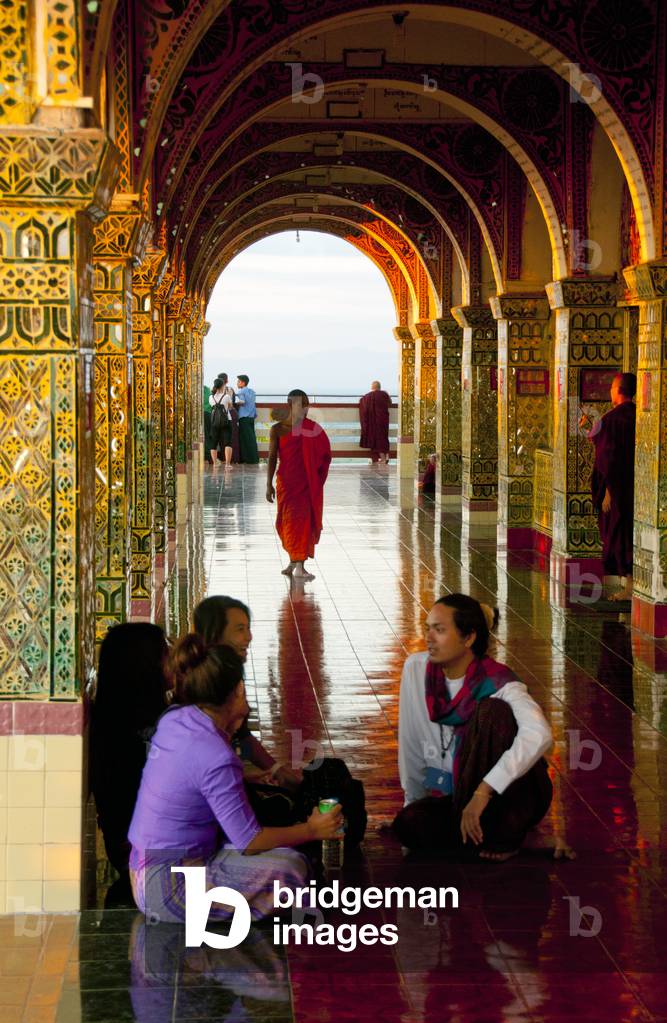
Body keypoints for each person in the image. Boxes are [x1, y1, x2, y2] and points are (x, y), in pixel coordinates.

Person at [128, 636, 342, 924]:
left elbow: (187, 776)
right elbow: (249, 840)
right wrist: (312, 829)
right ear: (239, 690)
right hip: (169, 889)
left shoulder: (176, 718)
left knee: (283, 852)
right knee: (292, 868)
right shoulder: (216, 754)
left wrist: (247, 776)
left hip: (143, 871)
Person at [392, 594, 553, 861]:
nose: (429, 638)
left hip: (508, 795)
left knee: (493, 712)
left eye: (440, 630)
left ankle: (507, 828)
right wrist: (414, 801)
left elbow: (539, 734)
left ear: (468, 638)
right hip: (458, 793)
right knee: (409, 825)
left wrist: (483, 791)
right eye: (428, 627)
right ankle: (491, 835)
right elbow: (410, 739)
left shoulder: (499, 681)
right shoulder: (417, 670)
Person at [90, 623, 170, 874]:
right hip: (146, 858)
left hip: (136, 851)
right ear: (146, 665)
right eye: (165, 654)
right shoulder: (138, 731)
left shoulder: (118, 717)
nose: (174, 660)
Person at [580, 372, 637, 602]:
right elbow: (602, 440)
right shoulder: (637, 415)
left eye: (612, 387)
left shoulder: (614, 417)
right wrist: (589, 428)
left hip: (618, 489)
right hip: (636, 486)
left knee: (621, 534)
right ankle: (630, 585)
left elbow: (608, 458)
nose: (610, 391)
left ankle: (630, 586)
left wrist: (607, 492)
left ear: (619, 389)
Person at [266, 390, 331, 580]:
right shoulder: (277, 429)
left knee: (301, 523)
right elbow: (271, 458)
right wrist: (268, 484)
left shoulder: (312, 429)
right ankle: (293, 561)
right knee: (286, 523)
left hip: (305, 484)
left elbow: (325, 456)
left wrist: (315, 475)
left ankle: (299, 566)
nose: (304, 408)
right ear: (289, 405)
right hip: (286, 482)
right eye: (300, 404)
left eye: (306, 404)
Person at [359, 380, 392, 464]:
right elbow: (390, 402)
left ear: (372, 387)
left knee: (378, 439)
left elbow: (362, 401)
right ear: (379, 387)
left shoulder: (368, 396)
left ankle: (383, 458)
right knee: (384, 437)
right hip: (384, 419)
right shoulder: (385, 394)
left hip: (375, 421)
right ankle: (387, 455)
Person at [208, 376, 233, 466]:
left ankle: (215, 463)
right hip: (226, 421)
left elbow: (212, 407)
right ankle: (227, 464)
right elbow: (230, 407)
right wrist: (229, 395)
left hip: (214, 422)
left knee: (214, 442)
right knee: (228, 442)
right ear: (223, 386)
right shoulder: (226, 396)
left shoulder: (211, 397)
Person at [236, 374, 259, 464]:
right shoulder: (252, 392)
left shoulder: (241, 392)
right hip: (251, 417)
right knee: (251, 438)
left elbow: (242, 401)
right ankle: (254, 458)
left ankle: (246, 459)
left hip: (244, 417)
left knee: (244, 439)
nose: (237, 383)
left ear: (243, 383)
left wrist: (235, 402)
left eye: (238, 381)